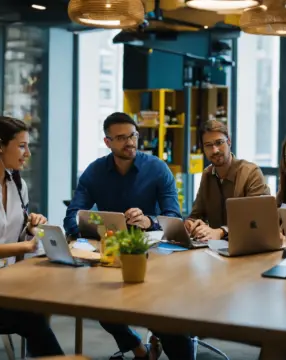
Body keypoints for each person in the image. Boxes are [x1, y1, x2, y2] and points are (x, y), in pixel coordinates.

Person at [64, 112, 183, 360]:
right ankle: (139, 348)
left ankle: (164, 340)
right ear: (107, 142)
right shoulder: (95, 172)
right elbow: (73, 216)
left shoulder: (158, 169)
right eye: (121, 138)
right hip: (111, 254)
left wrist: (148, 220)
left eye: (133, 136)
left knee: (164, 317)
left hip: (155, 254)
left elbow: (174, 218)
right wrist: (88, 231)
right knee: (101, 306)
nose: (130, 142)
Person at [0, 116, 64, 358]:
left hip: (0, 287)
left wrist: (31, 227)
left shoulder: (17, 185)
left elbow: (11, 231)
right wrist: (22, 245)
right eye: (22, 146)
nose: (28, 153)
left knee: (37, 323)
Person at [185, 120, 271, 241]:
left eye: (219, 143)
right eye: (208, 145)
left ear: (229, 141)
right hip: (216, 249)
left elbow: (256, 219)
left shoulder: (251, 173)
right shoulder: (207, 174)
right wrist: (191, 224)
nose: (215, 150)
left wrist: (221, 232)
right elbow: (196, 215)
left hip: (250, 246)